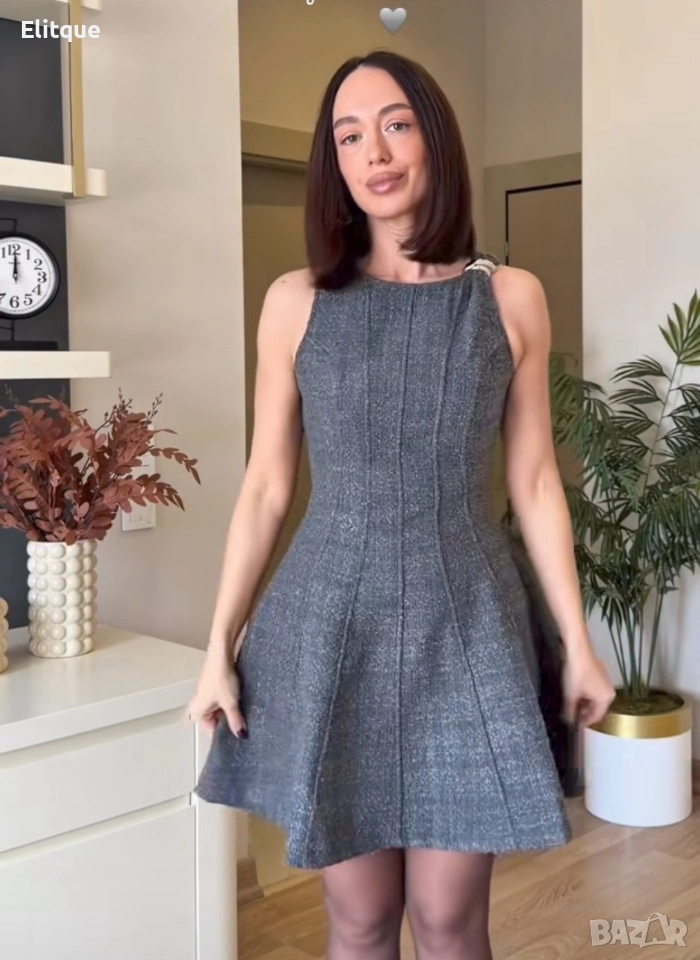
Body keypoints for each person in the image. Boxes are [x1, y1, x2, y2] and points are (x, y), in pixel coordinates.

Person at [189, 50, 615, 960]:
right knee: (360, 920)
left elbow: (536, 482)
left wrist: (579, 643)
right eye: (349, 136)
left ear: (434, 137)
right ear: (333, 163)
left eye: (394, 125)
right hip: (331, 624)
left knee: (452, 921)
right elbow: (266, 486)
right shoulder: (296, 302)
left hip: (466, 626)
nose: (374, 153)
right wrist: (217, 646)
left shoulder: (509, 299)